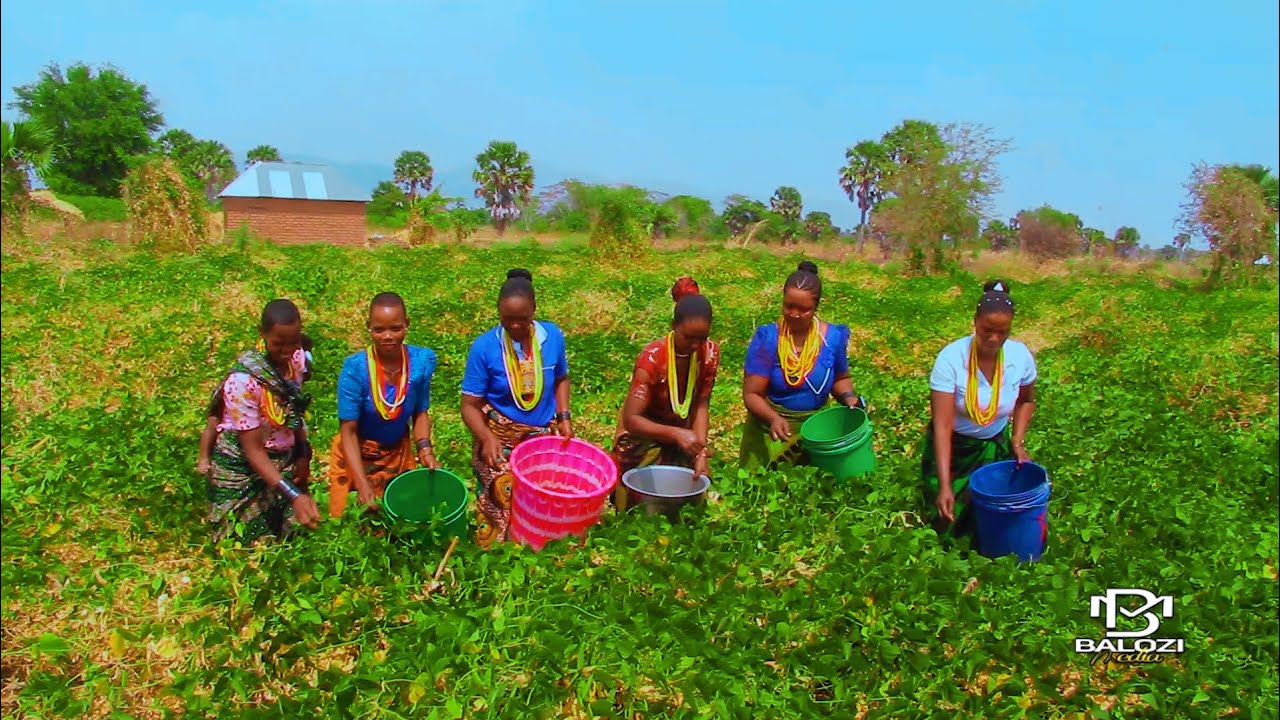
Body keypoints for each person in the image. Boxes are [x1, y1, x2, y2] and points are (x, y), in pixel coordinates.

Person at [460, 269, 573, 548]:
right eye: (507, 320)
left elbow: (561, 378)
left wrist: (564, 416)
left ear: (534, 309)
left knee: (541, 497)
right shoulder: (484, 348)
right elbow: (469, 406)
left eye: (522, 319)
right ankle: (496, 554)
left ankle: (537, 549)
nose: (515, 327)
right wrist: (487, 438)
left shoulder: (553, 337)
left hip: (542, 435)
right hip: (500, 436)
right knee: (500, 497)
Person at [923, 279, 1038, 538]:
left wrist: (1017, 442)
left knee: (990, 524)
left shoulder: (1019, 357)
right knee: (946, 526)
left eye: (1003, 331)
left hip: (993, 447)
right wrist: (944, 485)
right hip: (953, 450)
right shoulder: (952, 359)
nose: (994, 338)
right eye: (987, 329)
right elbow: (942, 425)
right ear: (975, 321)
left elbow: (1026, 400)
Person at [205, 300, 321, 544]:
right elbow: (253, 450)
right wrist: (293, 494)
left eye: (294, 342)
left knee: (301, 533)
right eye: (278, 343)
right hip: (245, 465)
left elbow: (293, 409)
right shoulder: (243, 383)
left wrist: (302, 453)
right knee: (244, 544)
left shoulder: (296, 361)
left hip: (282, 456)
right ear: (262, 334)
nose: (287, 350)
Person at [739, 261, 865, 470]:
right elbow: (752, 394)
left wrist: (848, 397)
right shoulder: (769, 339)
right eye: (789, 306)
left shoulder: (832, 339)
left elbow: (840, 378)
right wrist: (773, 419)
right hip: (770, 435)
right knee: (763, 492)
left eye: (804, 309)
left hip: (814, 432)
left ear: (816, 307)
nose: (794, 314)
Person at [611, 277, 720, 510]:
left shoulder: (709, 354)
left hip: (682, 432)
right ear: (673, 326)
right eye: (688, 337)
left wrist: (700, 451)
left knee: (691, 491)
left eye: (701, 338)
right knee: (635, 497)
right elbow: (632, 420)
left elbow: (701, 405)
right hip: (644, 433)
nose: (694, 345)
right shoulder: (652, 359)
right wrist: (676, 435)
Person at [328, 293, 440, 518]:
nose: (388, 336)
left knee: (398, 520)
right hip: (357, 454)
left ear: (407, 325)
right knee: (350, 522)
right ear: (368, 327)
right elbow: (348, 432)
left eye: (396, 329)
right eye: (379, 330)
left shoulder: (420, 363)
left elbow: (420, 412)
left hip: (397, 453)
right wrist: (361, 484)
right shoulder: (355, 370)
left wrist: (425, 451)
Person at [199, 333, 312, 476]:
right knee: (212, 424)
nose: (286, 350)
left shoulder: (293, 367)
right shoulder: (244, 380)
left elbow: (295, 416)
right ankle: (203, 457)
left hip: (275, 446)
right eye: (280, 344)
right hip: (238, 431)